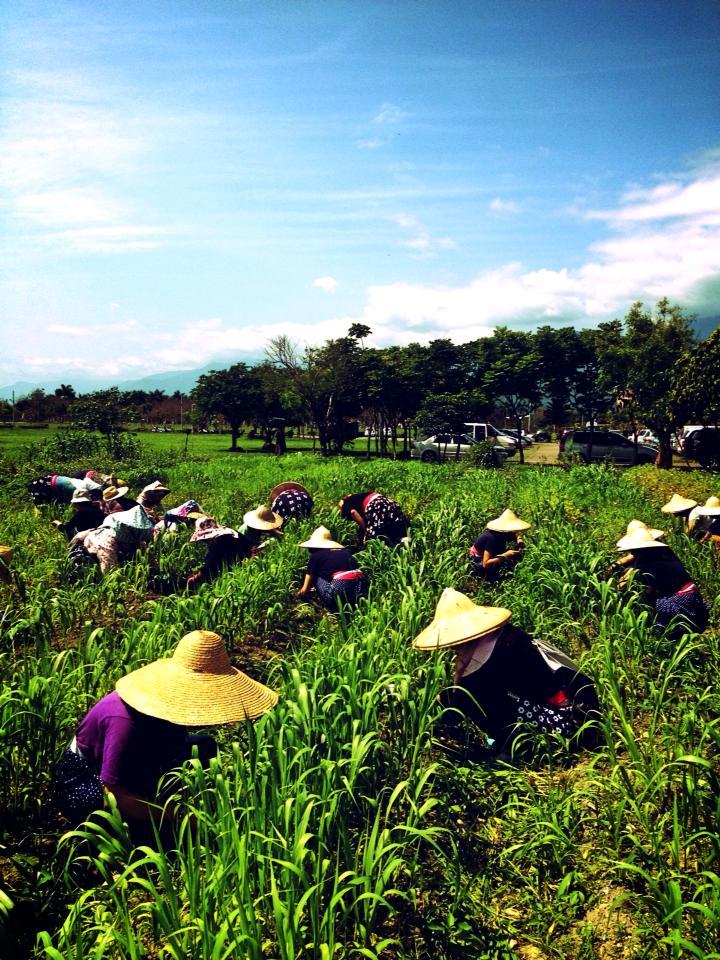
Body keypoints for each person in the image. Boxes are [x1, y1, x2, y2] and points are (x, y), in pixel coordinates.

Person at [54, 630, 278, 834]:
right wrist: (177, 816)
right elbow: (114, 794)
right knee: (132, 824)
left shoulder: (170, 708)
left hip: (142, 753)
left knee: (204, 746)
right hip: (90, 779)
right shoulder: (124, 722)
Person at [413, 588, 600, 756]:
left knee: (470, 699)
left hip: (559, 723)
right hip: (568, 712)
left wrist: (456, 679)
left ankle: (512, 746)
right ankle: (506, 741)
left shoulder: (486, 660)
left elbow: (457, 704)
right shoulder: (504, 635)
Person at [614, 527, 709, 636]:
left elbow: (639, 589)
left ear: (641, 551)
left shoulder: (647, 565)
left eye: (634, 551)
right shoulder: (661, 553)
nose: (632, 553)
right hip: (692, 595)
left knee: (647, 604)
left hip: (678, 601)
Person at [297, 526, 368, 610]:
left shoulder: (315, 556)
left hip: (341, 585)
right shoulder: (345, 552)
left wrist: (300, 594)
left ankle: (332, 604)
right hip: (362, 584)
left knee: (315, 576)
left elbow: (304, 589)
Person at [186, 517, 252, 590]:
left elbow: (210, 566)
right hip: (243, 567)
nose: (204, 541)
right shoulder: (234, 533)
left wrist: (194, 579)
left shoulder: (216, 543)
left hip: (233, 576)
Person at [469, 509, 530, 578]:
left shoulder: (504, 533)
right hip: (478, 560)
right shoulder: (492, 538)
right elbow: (485, 564)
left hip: (490, 553)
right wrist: (505, 555)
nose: (514, 532)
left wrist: (520, 541)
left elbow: (517, 535)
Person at [338, 491, 409, 547]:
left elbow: (353, 513)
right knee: (394, 526)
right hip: (388, 502)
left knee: (373, 539)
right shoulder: (356, 497)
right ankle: (403, 541)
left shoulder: (345, 505)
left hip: (376, 505)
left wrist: (366, 530)